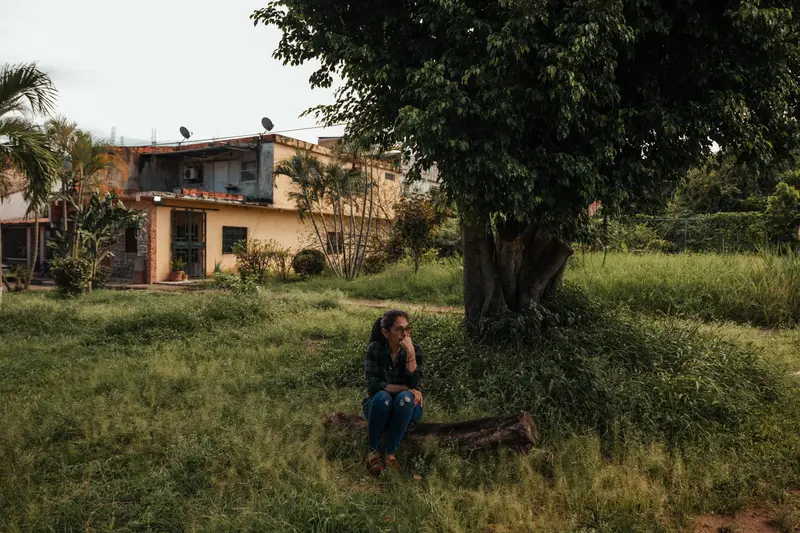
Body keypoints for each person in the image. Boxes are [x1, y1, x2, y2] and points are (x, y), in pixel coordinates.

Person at [363, 309, 423, 474]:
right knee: (383, 397)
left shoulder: (415, 350)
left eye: (407, 329)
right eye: (399, 329)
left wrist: (410, 353)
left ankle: (390, 454)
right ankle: (372, 452)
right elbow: (373, 385)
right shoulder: (375, 349)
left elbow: (415, 383)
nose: (405, 333)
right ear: (385, 332)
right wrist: (408, 389)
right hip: (379, 406)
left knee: (405, 399)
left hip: (407, 407)